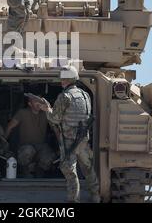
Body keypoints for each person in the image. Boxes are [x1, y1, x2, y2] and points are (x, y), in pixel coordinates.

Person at [39, 66, 100, 203]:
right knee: (88, 168)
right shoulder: (85, 95)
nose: (62, 82)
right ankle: (95, 196)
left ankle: (73, 201)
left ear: (67, 80)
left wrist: (46, 109)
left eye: (63, 79)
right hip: (83, 139)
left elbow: (55, 118)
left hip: (69, 140)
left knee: (70, 171)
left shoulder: (64, 96)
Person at [5, 94, 56, 177]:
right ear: (29, 104)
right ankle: (25, 172)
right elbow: (10, 127)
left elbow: (56, 127)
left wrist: (61, 143)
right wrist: (4, 142)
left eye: (40, 101)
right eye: (35, 101)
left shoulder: (46, 114)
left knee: (48, 156)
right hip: (25, 146)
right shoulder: (22, 113)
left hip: (41, 146)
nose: (38, 103)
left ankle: (40, 174)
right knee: (27, 151)